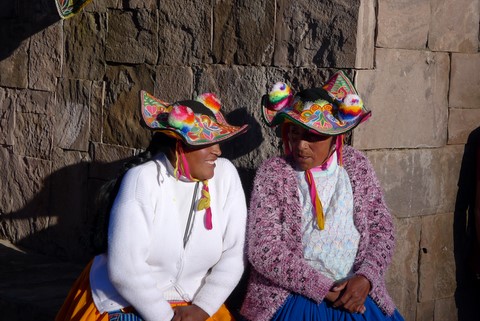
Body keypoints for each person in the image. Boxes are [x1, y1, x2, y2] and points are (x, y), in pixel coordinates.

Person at [56, 90, 249, 321]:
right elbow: (126, 270)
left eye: (218, 142)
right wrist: (164, 317)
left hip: (196, 307)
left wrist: (203, 307)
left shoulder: (225, 175)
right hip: (128, 301)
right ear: (178, 146)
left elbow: (234, 253)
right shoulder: (142, 179)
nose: (217, 151)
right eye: (208, 143)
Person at [240, 71, 404, 321]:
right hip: (293, 299)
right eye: (295, 133)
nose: (301, 145)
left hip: (356, 297)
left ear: (336, 137)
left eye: (313, 136)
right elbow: (264, 249)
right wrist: (321, 287)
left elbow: (382, 228)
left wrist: (366, 278)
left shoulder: (355, 166)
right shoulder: (274, 174)